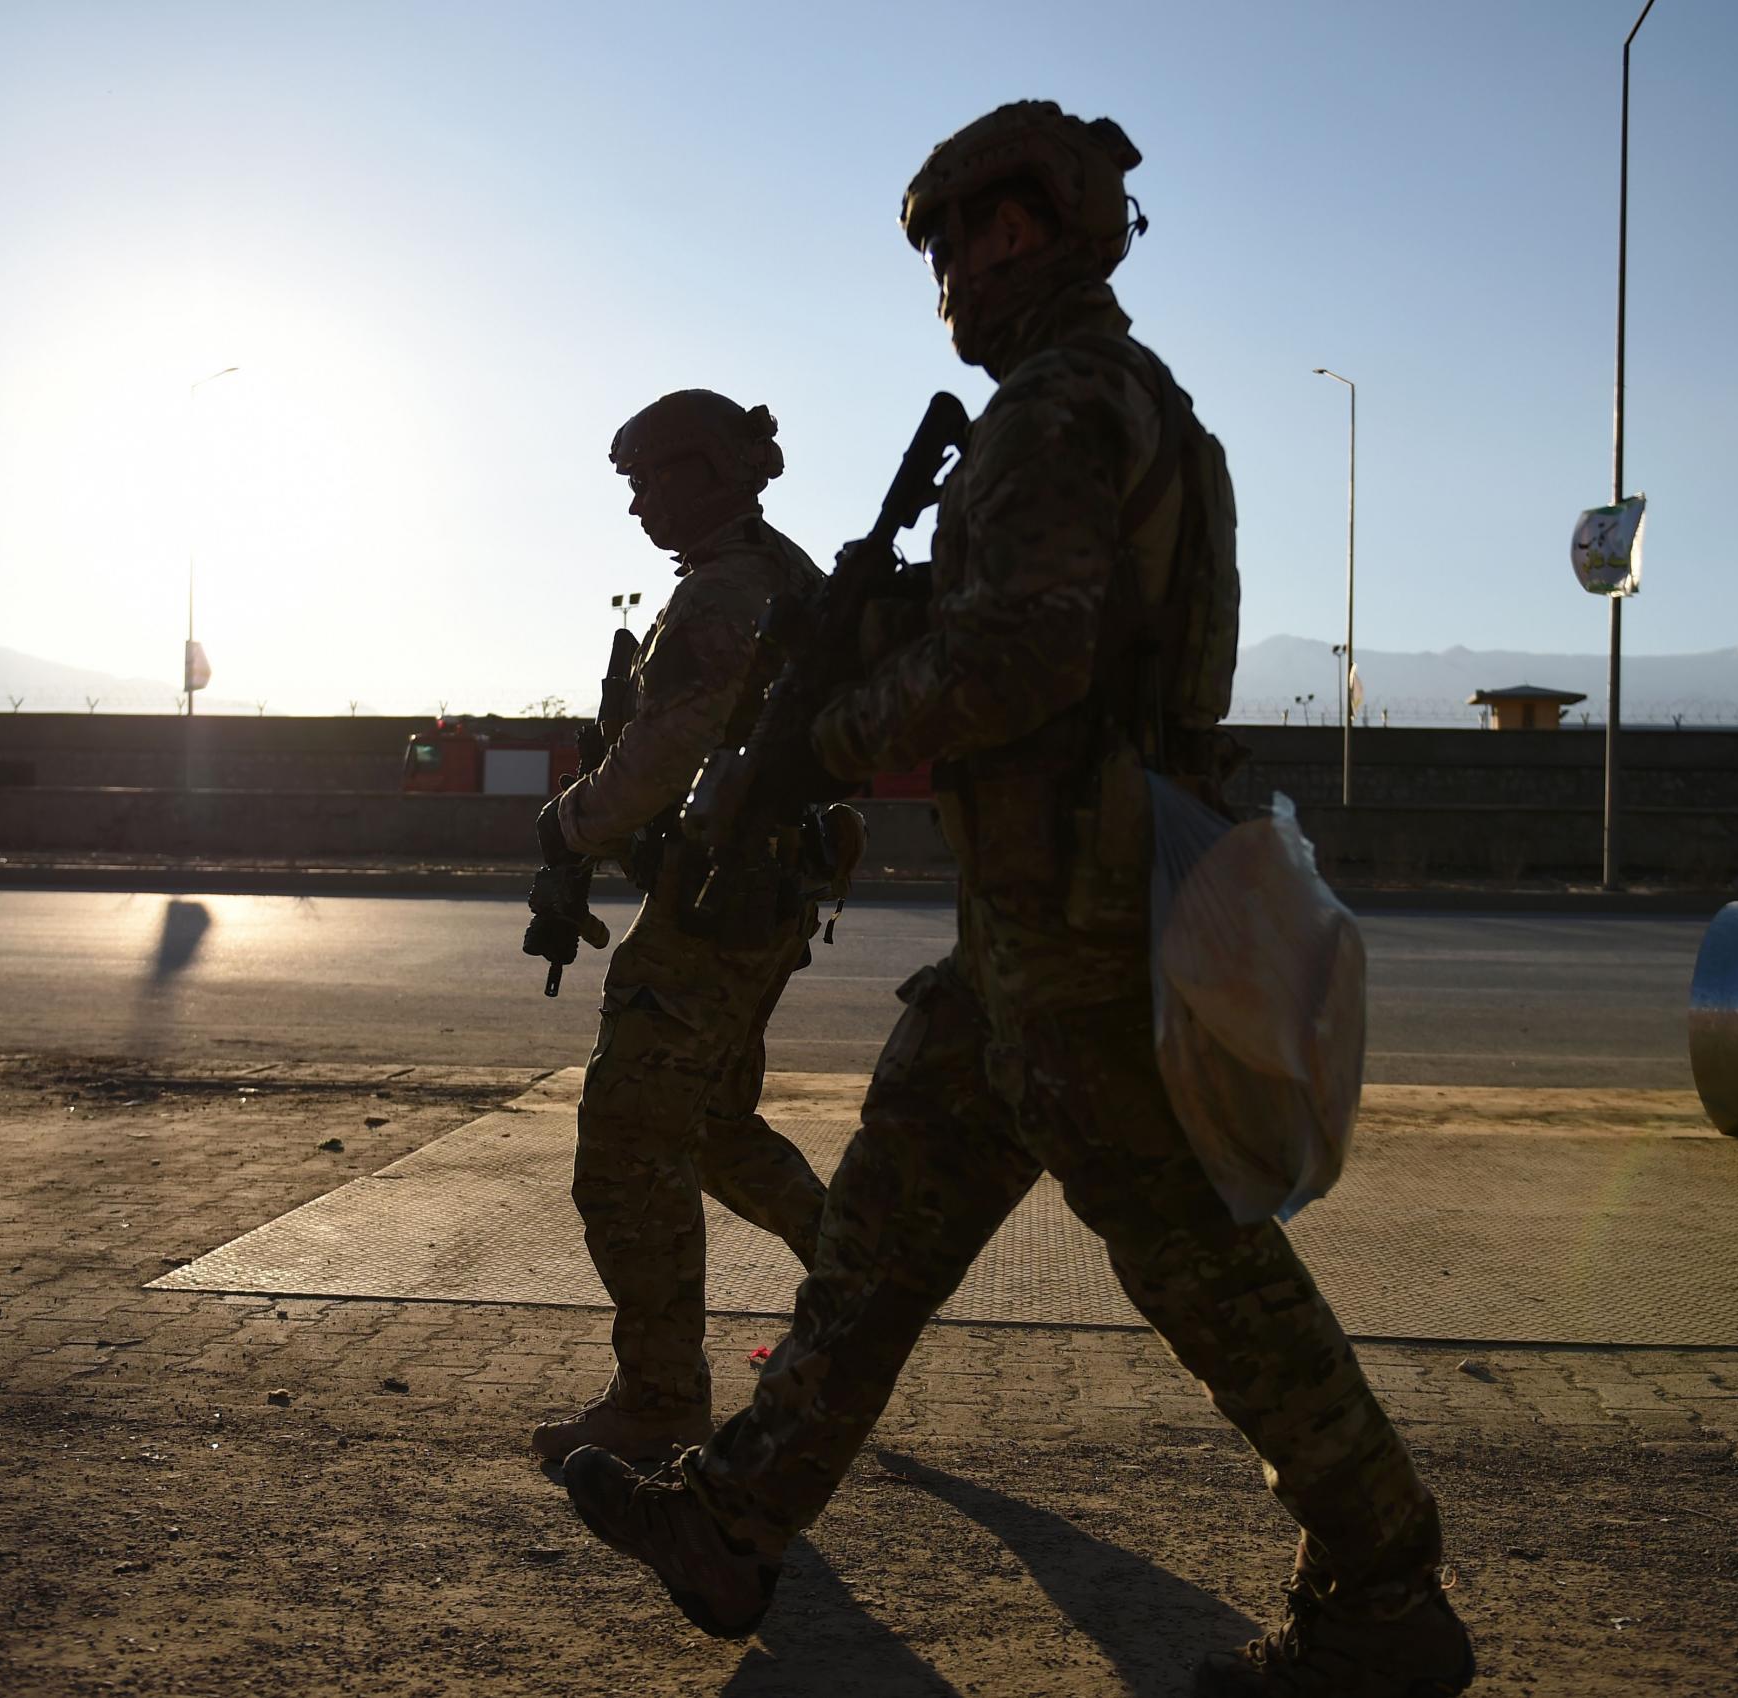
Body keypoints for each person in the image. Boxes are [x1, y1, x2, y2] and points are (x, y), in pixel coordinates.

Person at [559, 106, 1474, 1696]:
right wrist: (901, 611)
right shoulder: (1134, 408)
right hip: (1028, 935)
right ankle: (735, 1513)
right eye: (939, 252)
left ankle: (1386, 1584)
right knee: (882, 1235)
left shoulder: (1057, 409)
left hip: (1081, 930)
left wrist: (840, 728)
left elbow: (1031, 657)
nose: (950, 282)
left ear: (1024, 230)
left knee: (1204, 1263)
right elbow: (1059, 618)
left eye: (959, 244)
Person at [524, 389, 832, 1469]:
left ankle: (659, 1399)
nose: (638, 503)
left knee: (623, 1154)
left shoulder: (724, 593)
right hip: (759, 899)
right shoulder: (778, 572)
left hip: (712, 910)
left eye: (649, 478)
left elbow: (660, 758)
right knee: (711, 1130)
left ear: (708, 470)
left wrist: (566, 824)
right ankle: (857, 1300)